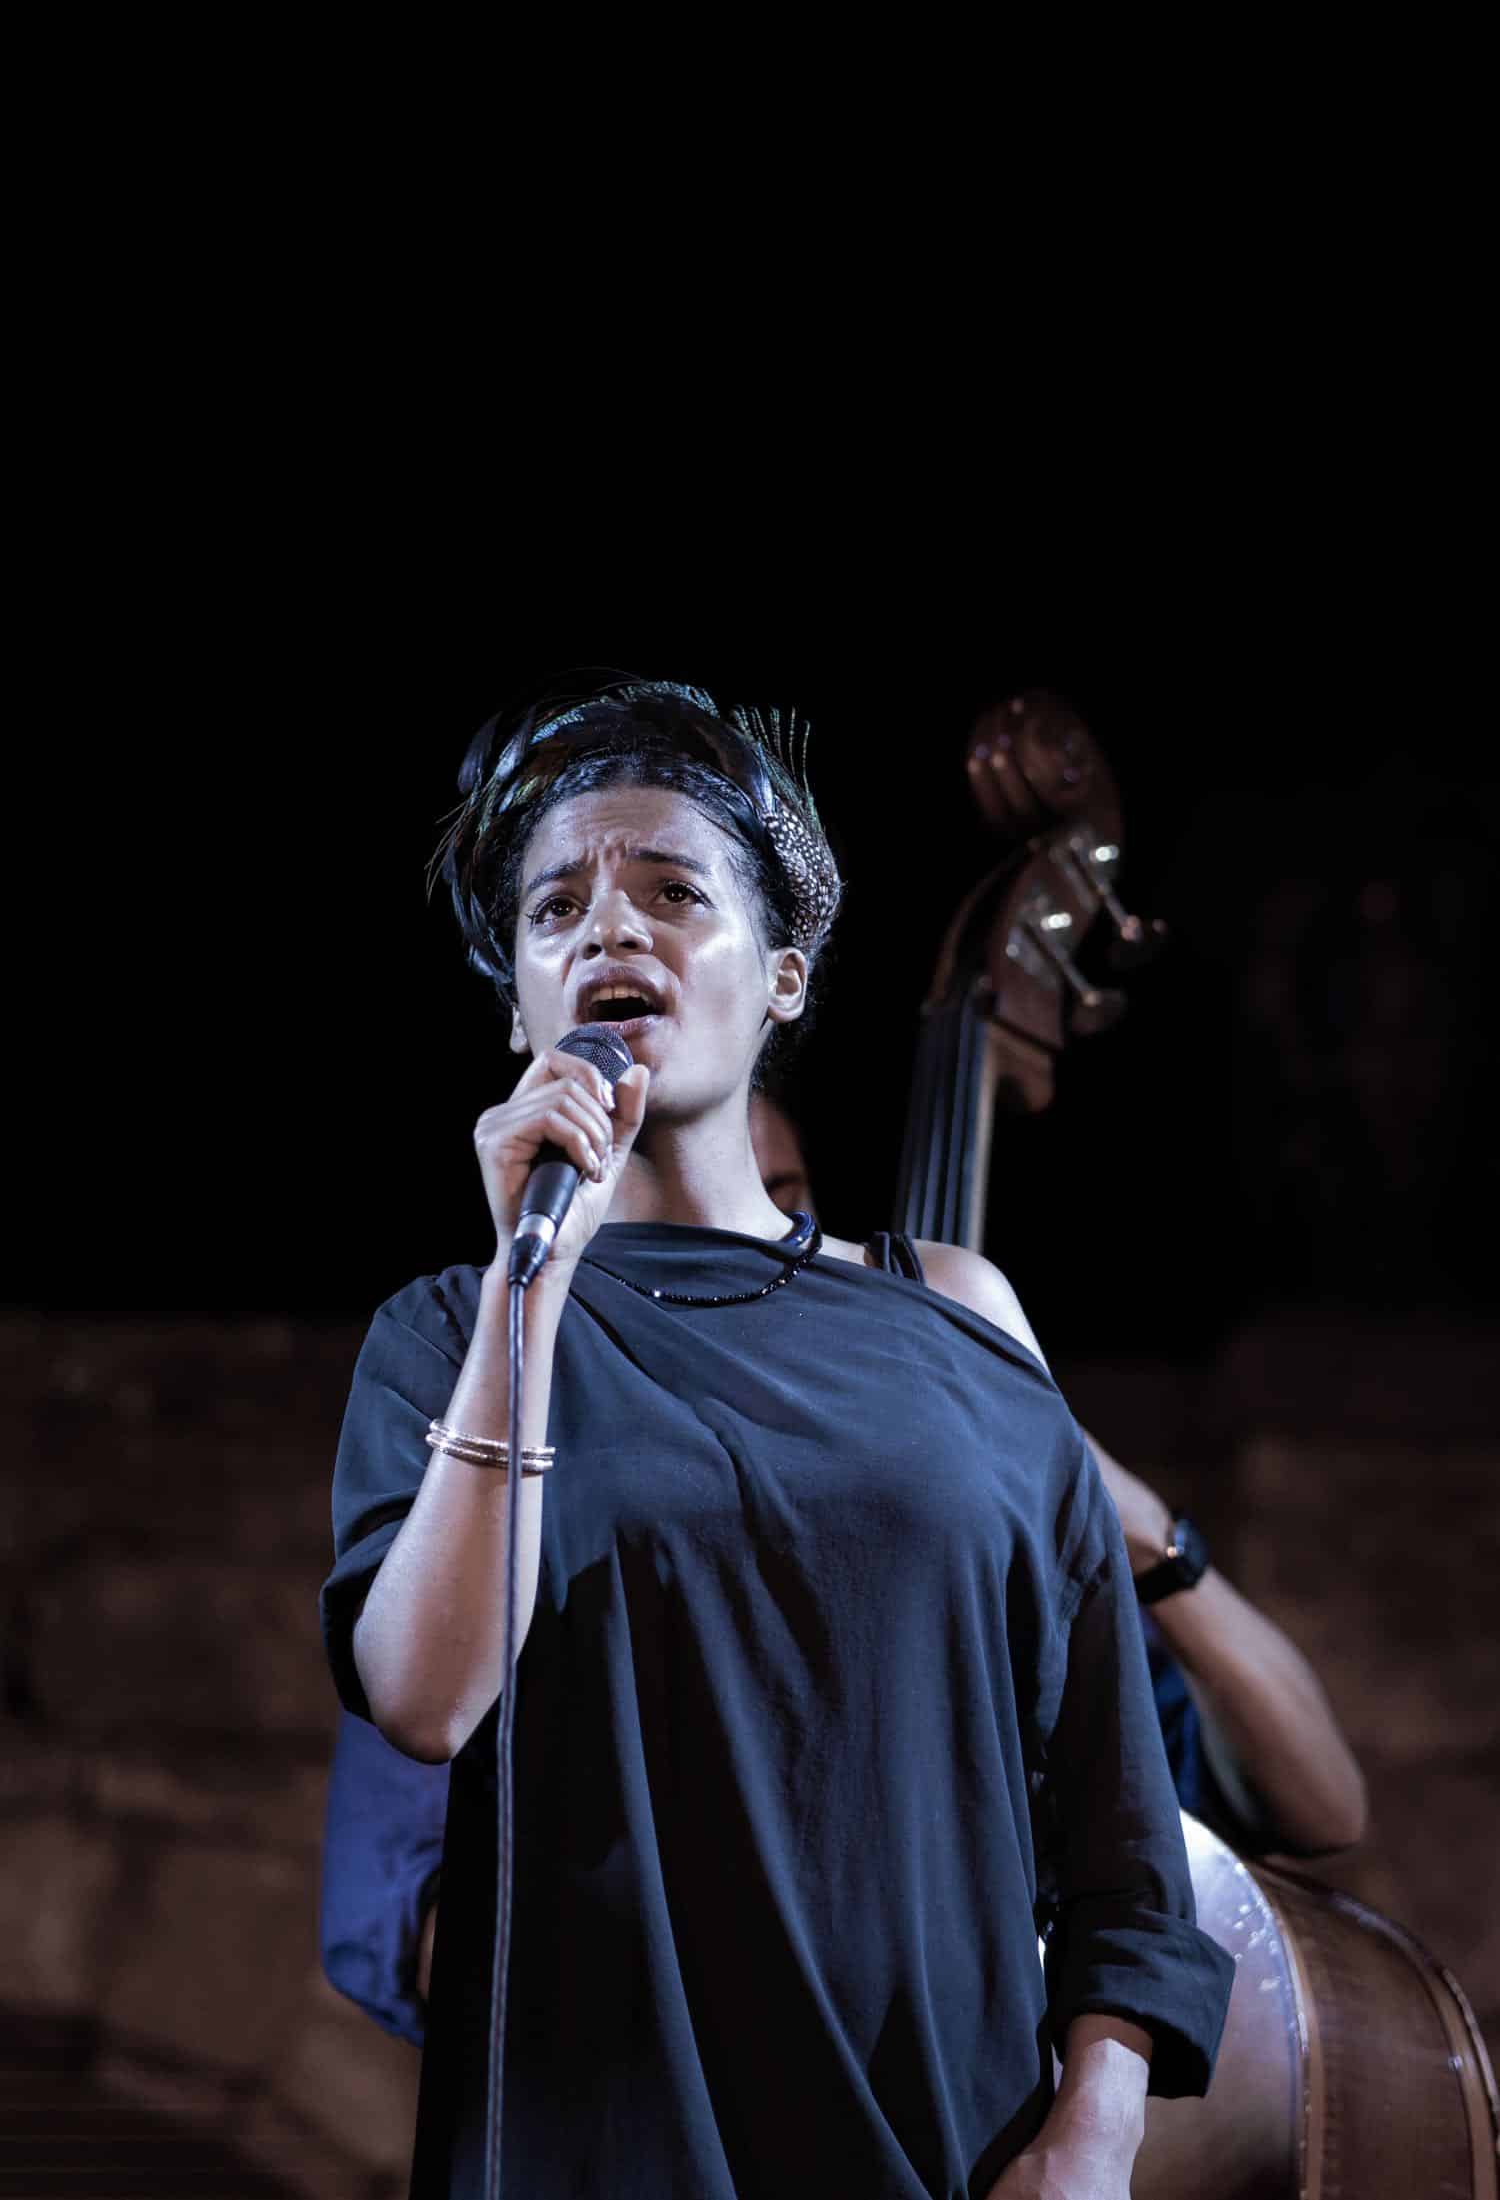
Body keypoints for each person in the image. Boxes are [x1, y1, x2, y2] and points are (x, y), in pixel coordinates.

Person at [319, 680, 1235, 2199]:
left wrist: (1098, 2133)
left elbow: (1119, 1824)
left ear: (787, 978)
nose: (610, 928)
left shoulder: (958, 1311)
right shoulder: (454, 1330)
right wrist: (529, 1288)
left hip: (954, 2149)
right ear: (522, 1008)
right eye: (557, 908)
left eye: (673, 890)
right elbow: (423, 1697)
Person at [319, 1095, 1365, 2051]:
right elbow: (416, 1927)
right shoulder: (487, 1509)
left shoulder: (949, 1503)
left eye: (776, 1194)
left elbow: (1317, 1807)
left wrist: (1124, 1516)